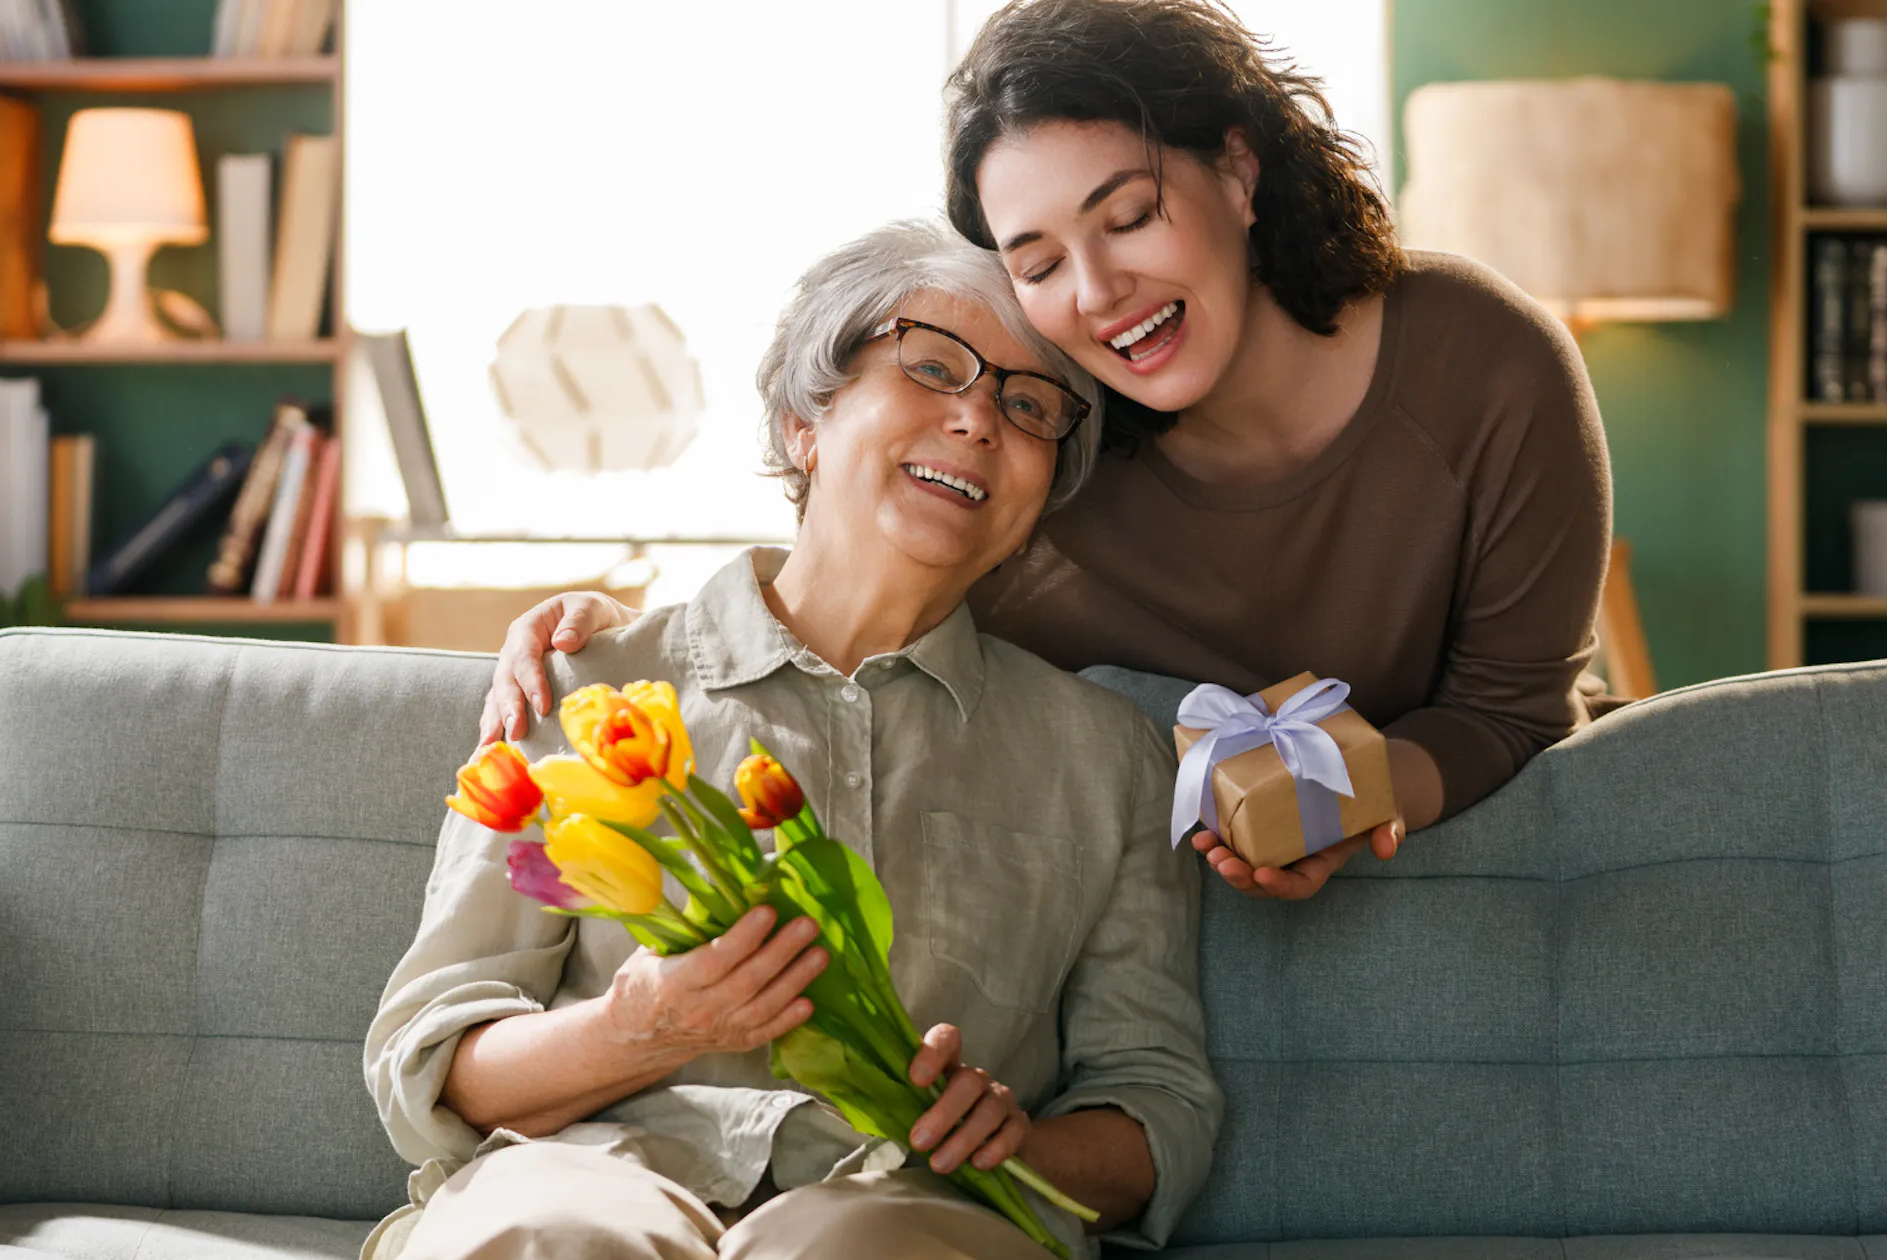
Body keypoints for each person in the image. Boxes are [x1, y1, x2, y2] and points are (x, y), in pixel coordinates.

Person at [476, 0, 1613, 904]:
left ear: (1238, 167)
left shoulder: (1486, 366)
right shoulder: (1044, 442)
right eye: (1037, 261)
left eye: (1127, 217)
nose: (1098, 293)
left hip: (1445, 880)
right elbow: (850, 600)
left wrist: (1346, 795)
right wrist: (618, 640)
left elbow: (1511, 712)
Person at [364, 220, 1220, 1260]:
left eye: (1029, 405)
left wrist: (1024, 1144)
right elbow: (433, 1056)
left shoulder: (1108, 758)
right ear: (802, 425)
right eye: (934, 366)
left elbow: (1159, 1105)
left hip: (911, 1204)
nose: (979, 418)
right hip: (589, 1171)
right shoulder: (586, 687)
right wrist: (638, 1030)